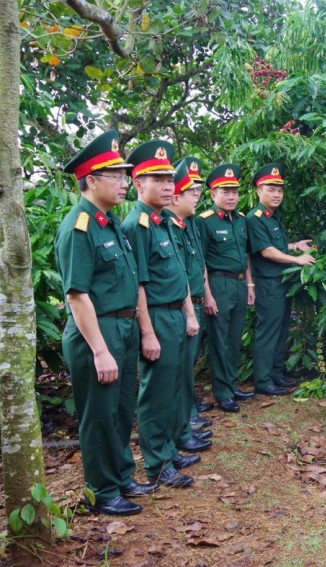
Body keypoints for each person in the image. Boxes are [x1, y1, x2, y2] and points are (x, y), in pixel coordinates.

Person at [56, 130, 155, 516]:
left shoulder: (108, 222)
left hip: (124, 327)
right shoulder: (78, 226)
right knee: (98, 415)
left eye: (124, 174)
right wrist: (99, 350)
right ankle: (101, 489)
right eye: (116, 174)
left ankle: (121, 475)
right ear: (91, 180)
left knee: (119, 410)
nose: (124, 181)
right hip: (97, 332)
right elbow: (77, 295)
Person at [123, 140, 200, 489]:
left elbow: (180, 274)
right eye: (159, 179)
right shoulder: (136, 225)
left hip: (175, 315)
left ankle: (168, 449)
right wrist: (148, 332)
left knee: (171, 389)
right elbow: (137, 284)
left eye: (170, 179)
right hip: (154, 317)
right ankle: (156, 464)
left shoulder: (164, 222)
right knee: (155, 394)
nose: (169, 186)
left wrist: (188, 313)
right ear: (139, 184)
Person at [246, 163, 316, 394]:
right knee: (269, 331)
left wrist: (295, 246)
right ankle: (263, 380)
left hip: (281, 282)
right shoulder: (255, 218)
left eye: (279, 190)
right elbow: (266, 251)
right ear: (259, 191)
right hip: (267, 283)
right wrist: (297, 260)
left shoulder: (272, 217)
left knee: (281, 329)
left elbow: (276, 245)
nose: (276, 194)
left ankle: (276, 373)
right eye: (270, 189)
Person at [165, 160, 213, 469]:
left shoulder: (187, 224)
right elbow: (177, 273)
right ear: (175, 197)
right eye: (191, 191)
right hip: (174, 309)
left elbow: (197, 267)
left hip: (192, 302)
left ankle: (184, 427)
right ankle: (177, 433)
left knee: (184, 371)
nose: (197, 196)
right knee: (172, 378)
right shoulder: (165, 225)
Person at [198, 163, 256, 412]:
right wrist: (207, 295)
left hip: (239, 283)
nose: (231, 196)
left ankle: (231, 385)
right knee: (219, 340)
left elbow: (245, 254)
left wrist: (250, 283)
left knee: (234, 339)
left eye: (234, 191)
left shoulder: (241, 220)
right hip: (217, 284)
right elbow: (199, 261)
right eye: (225, 191)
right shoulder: (205, 222)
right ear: (213, 194)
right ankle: (222, 392)